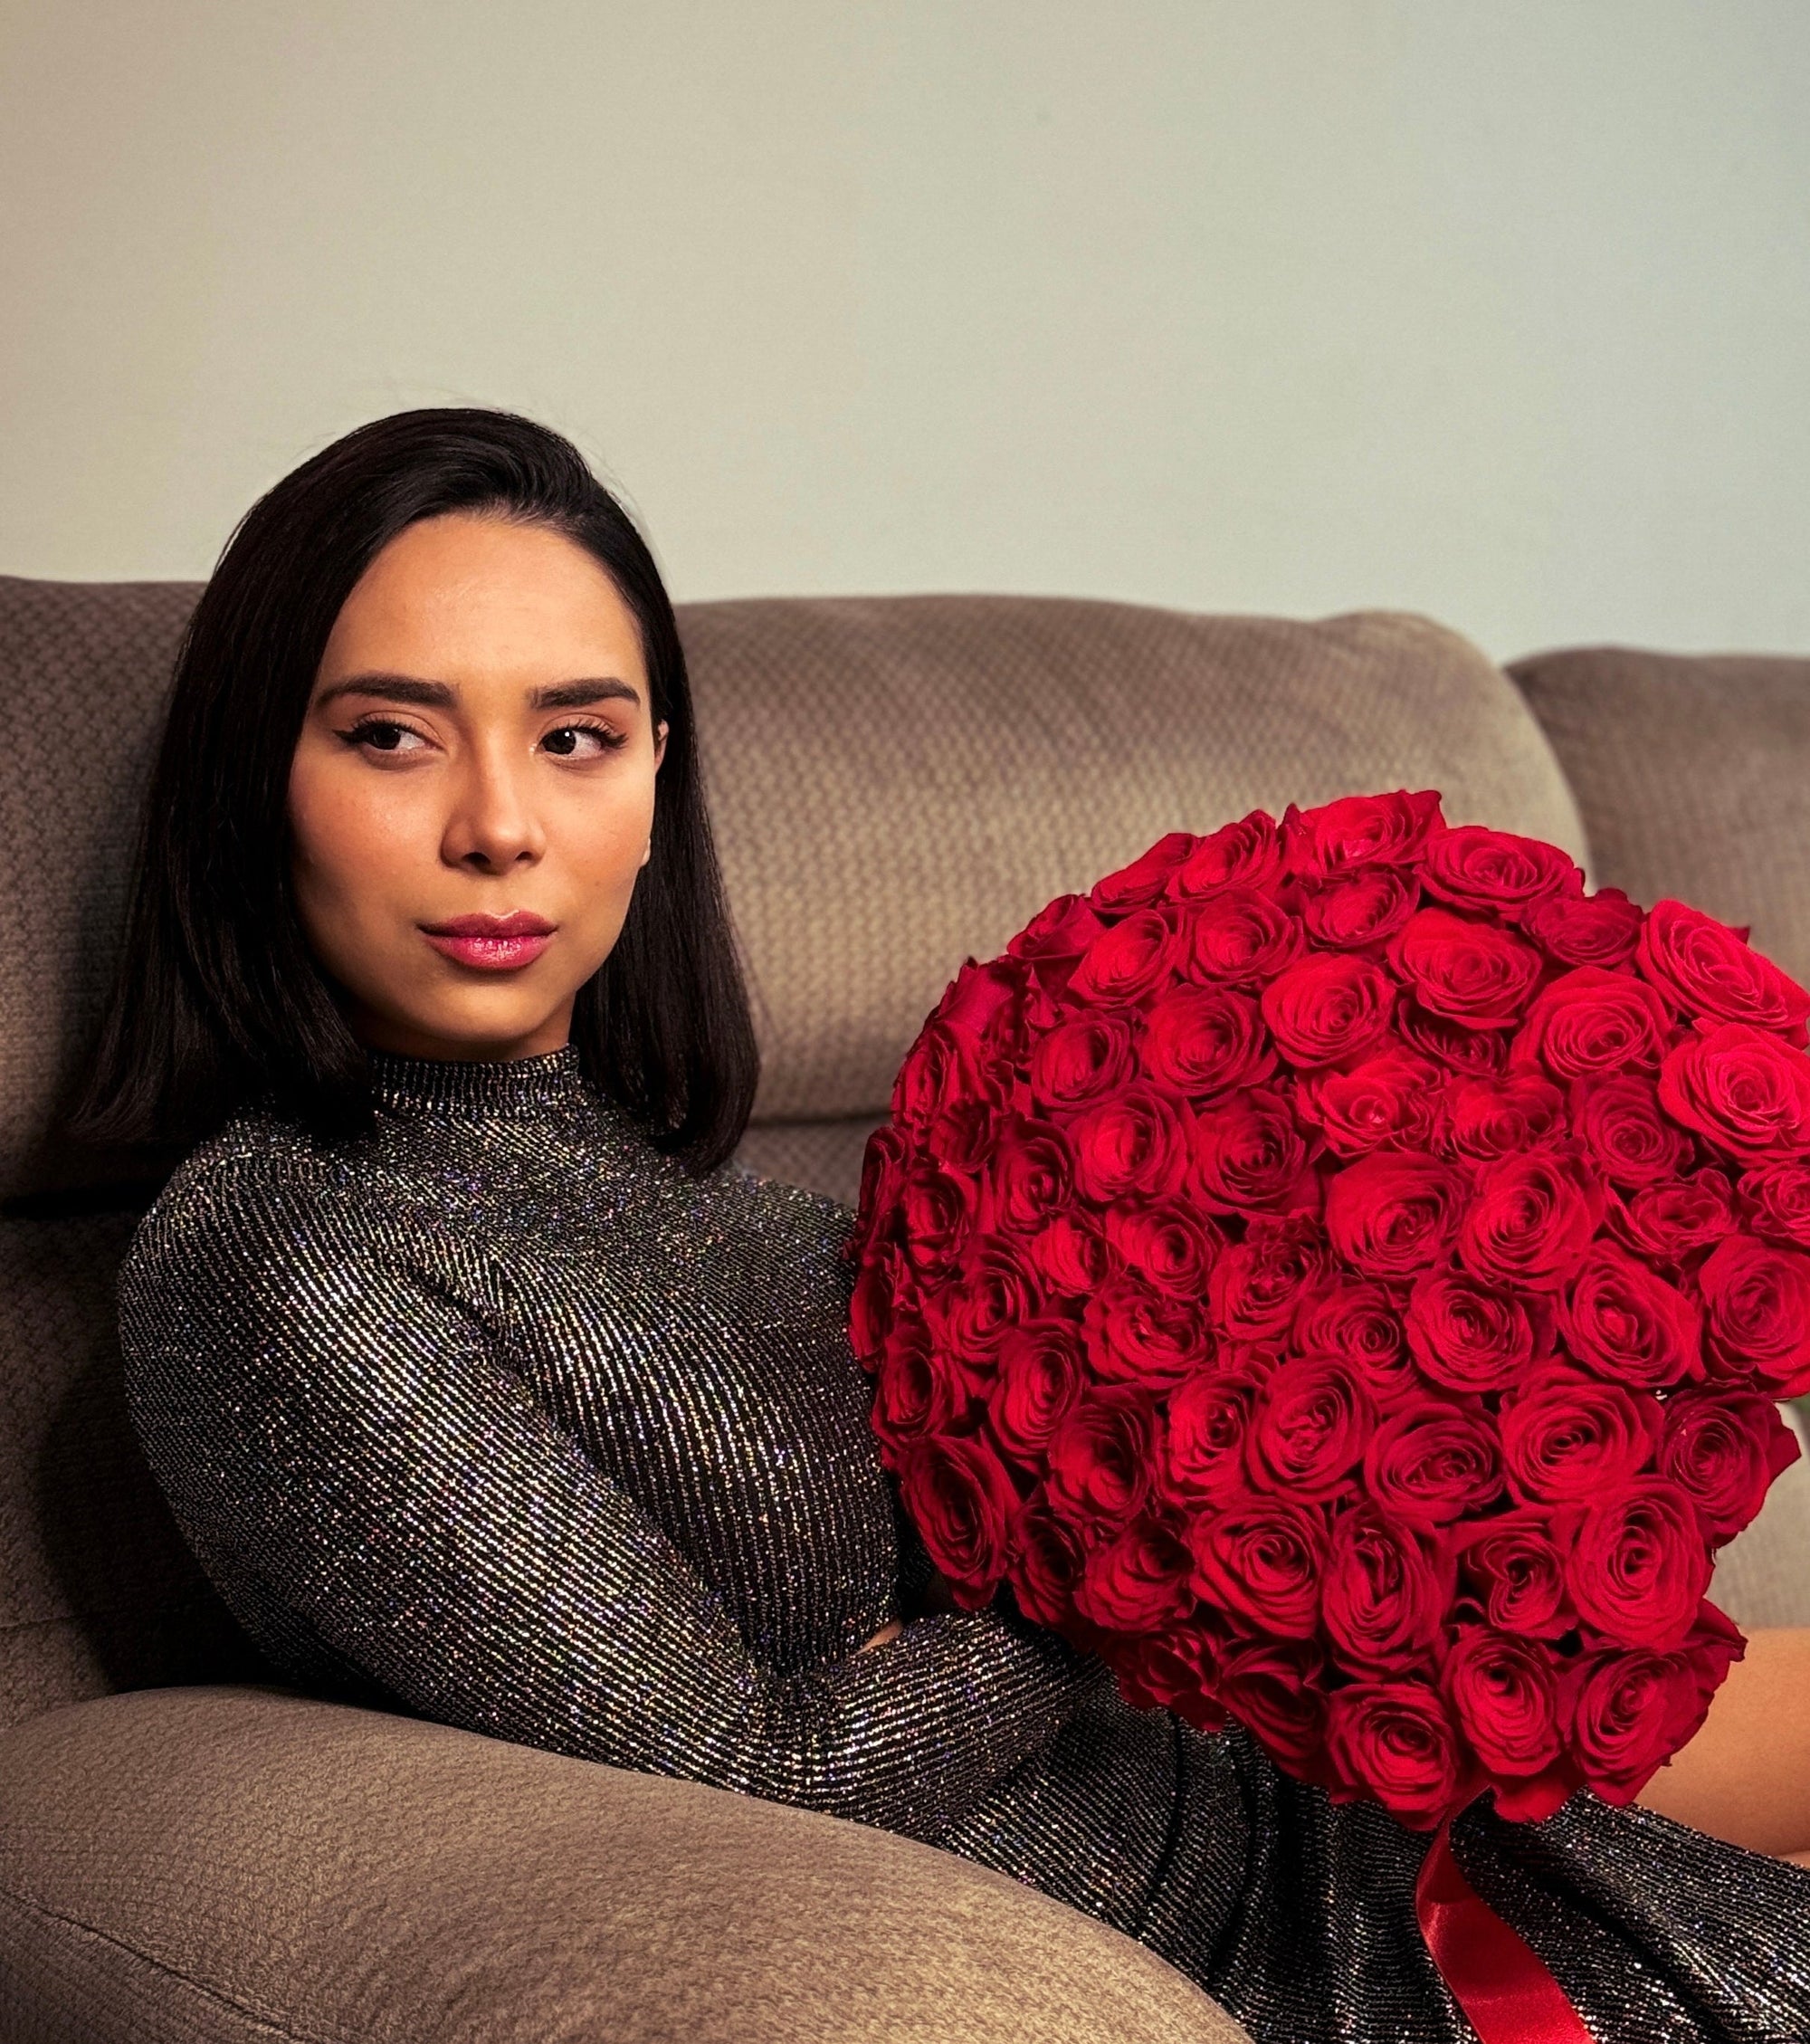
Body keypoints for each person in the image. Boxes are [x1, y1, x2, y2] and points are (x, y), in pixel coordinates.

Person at [85, 408, 1810, 2043]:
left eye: (577, 735)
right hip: (1172, 1966)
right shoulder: (280, 1259)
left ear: (655, 774)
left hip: (1308, 1825)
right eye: (390, 733)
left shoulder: (720, 1195)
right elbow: (746, 1779)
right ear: (263, 774)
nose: (500, 827)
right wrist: (1116, 1569)